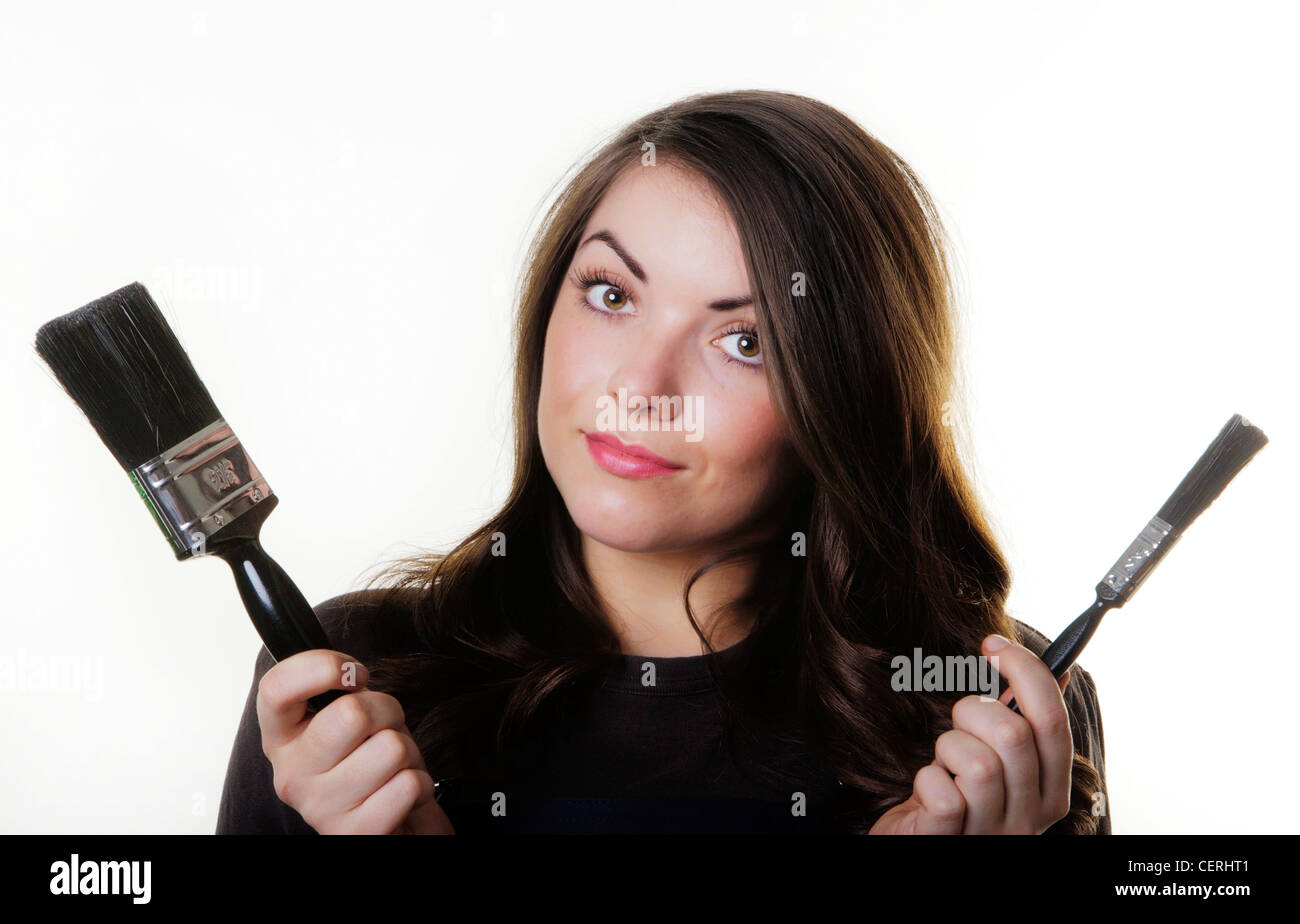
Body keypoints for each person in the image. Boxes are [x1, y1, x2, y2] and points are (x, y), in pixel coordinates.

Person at [216, 89, 1110, 835]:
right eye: (611, 294)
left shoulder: (989, 715)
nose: (641, 388)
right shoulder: (353, 681)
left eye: (745, 341)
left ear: (846, 399)